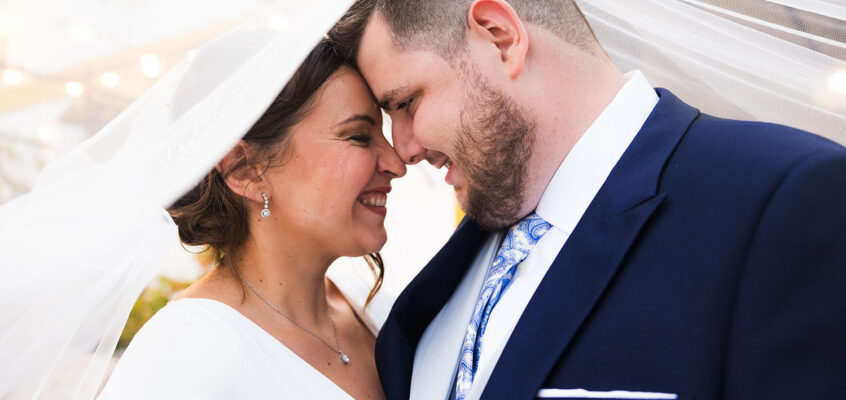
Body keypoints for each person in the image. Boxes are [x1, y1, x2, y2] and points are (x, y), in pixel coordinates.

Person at [330, 0, 846, 399]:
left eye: (406, 102)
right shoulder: (439, 287)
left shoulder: (784, 198)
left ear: (500, 36)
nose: (404, 149)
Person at [98, 40, 405, 399]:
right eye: (358, 136)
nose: (397, 164)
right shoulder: (182, 354)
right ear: (245, 171)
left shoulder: (372, 308)